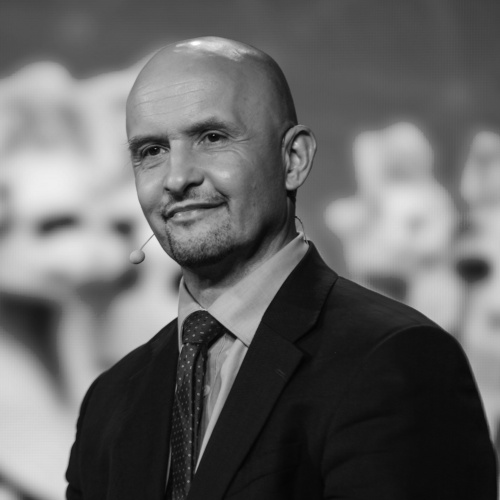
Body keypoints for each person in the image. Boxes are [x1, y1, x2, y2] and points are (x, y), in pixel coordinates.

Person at [65, 37, 497, 500]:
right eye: (152, 151)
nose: (177, 178)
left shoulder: (397, 360)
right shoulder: (111, 399)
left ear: (293, 160)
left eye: (212, 138)